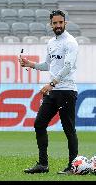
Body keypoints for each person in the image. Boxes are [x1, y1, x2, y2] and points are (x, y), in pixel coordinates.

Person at [18, 10, 79, 175]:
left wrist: (51, 84)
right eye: (55, 23)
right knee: (39, 124)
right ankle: (43, 164)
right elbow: (48, 65)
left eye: (61, 22)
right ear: (50, 24)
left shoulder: (71, 42)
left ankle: (73, 166)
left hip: (66, 90)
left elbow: (67, 67)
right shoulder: (51, 42)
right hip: (53, 91)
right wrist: (30, 64)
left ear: (65, 23)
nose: (58, 25)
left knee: (68, 129)